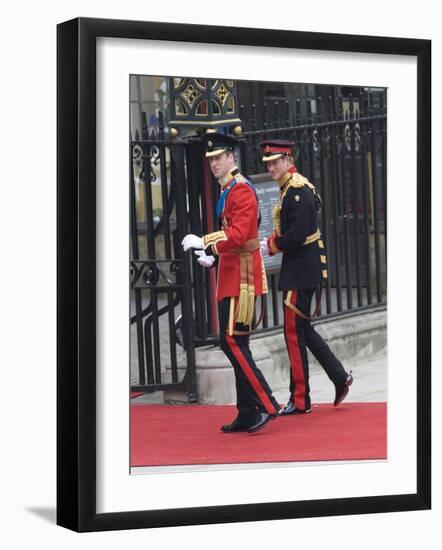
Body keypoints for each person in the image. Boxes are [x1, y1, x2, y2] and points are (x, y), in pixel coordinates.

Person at [182, 133, 280, 433]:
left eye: (218, 158)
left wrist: (206, 242)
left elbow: (239, 235)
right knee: (236, 342)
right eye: (210, 159)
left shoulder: (240, 190)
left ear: (231, 158)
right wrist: (215, 257)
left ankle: (266, 402)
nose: (213, 164)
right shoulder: (229, 189)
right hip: (232, 271)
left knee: (233, 342)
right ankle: (248, 410)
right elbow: (235, 236)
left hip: (243, 278)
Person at [259, 140, 353, 415]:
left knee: (292, 332)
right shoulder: (290, 187)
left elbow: (297, 236)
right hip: (301, 267)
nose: (272, 167)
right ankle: (339, 377)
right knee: (303, 331)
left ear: (288, 160)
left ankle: (300, 399)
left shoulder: (298, 191)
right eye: (268, 163)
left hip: (301, 270)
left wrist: (271, 245)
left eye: (276, 161)